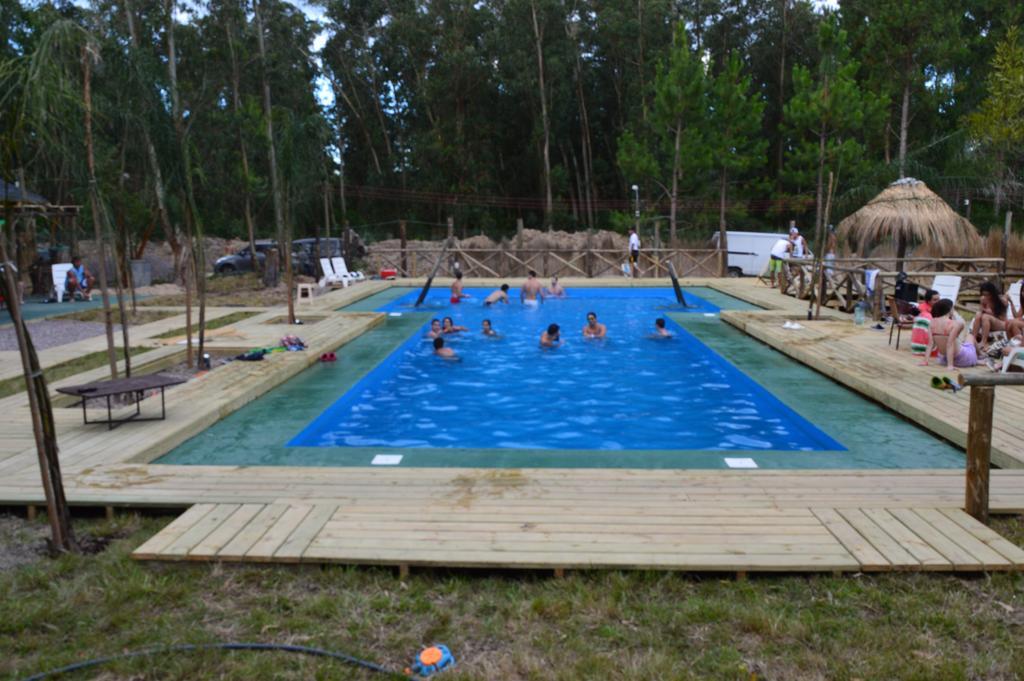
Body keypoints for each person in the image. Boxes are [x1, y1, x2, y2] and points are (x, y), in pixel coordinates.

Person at [928, 298, 977, 369]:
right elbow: (950, 343)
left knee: (961, 343)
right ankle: (980, 355)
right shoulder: (955, 323)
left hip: (944, 360)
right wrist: (950, 365)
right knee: (971, 336)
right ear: (950, 309)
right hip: (963, 359)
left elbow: (931, 344)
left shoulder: (933, 322)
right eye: (953, 308)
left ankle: (979, 356)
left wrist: (925, 360)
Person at [970, 281, 1010, 348]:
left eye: (987, 294)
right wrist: (983, 309)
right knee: (978, 314)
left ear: (993, 293)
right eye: (983, 294)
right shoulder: (983, 299)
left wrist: (990, 313)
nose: (985, 297)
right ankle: (972, 339)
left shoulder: (1002, 301)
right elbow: (980, 312)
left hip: (1001, 323)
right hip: (987, 323)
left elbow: (1002, 318)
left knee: (986, 317)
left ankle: (983, 342)